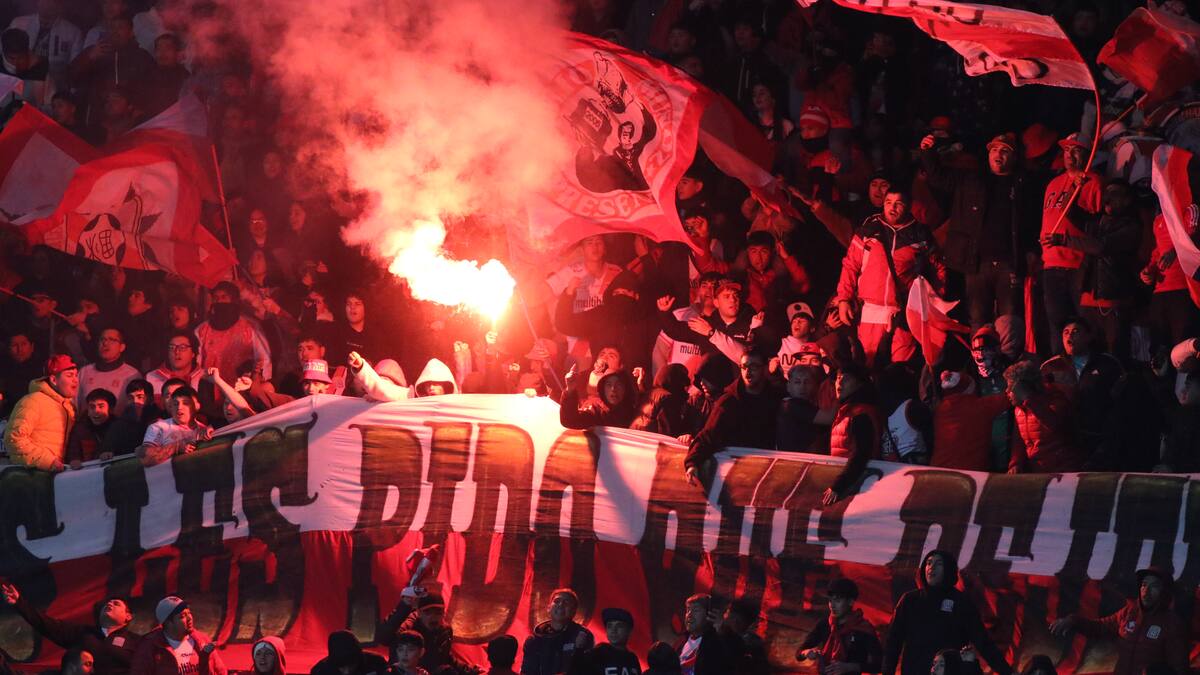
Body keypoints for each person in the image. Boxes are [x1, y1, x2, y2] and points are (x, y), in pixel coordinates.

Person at [921, 132, 1040, 331]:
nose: (998, 154)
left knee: (1009, 322)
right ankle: (982, 362)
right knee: (978, 321)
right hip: (976, 264)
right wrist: (927, 152)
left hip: (1009, 264)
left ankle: (1008, 362)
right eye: (994, 149)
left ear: (1014, 156)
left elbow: (1032, 222)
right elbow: (937, 177)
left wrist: (1031, 252)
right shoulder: (972, 180)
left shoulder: (1023, 186)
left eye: (1004, 150)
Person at [835, 186, 946, 365]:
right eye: (888, 203)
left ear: (908, 206)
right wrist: (843, 299)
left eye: (898, 204)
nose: (892, 208)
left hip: (904, 312)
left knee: (900, 369)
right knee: (868, 366)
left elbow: (938, 270)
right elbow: (850, 266)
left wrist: (935, 302)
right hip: (871, 310)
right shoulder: (868, 231)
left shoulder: (920, 235)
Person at [882, 551, 1012, 675]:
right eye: (928, 563)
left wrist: (1007, 672)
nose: (931, 567)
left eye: (938, 564)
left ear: (948, 569)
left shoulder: (961, 602)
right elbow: (894, 641)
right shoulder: (910, 600)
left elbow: (983, 642)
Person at [1049, 567, 1188, 675]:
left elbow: (1178, 668)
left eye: (1155, 586)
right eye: (1144, 584)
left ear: (1165, 591)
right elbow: (1100, 627)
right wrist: (1073, 621)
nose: (1146, 590)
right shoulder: (1129, 612)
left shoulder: (1172, 624)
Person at [1039, 133, 1103, 354]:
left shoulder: (1093, 181)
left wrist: (1078, 190)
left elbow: (1094, 223)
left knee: (1083, 326)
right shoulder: (1053, 183)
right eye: (1067, 150)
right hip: (1051, 264)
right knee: (1057, 325)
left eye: (1076, 150)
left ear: (1087, 154)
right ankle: (1060, 376)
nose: (1070, 155)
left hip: (1078, 265)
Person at [684, 349, 784, 484]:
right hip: (735, 473)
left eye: (753, 367)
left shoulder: (775, 398)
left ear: (764, 368)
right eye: (744, 367)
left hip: (765, 472)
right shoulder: (729, 401)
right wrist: (692, 463)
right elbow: (708, 435)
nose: (748, 372)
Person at [1, 584, 139, 675]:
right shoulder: (83, 633)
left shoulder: (137, 642)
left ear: (128, 616)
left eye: (116, 604)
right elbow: (46, 624)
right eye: (107, 604)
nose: (109, 603)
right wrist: (20, 603)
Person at [1005, 360, 1084, 473]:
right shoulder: (1020, 410)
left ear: (1023, 387)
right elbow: (1018, 441)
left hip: (1063, 473)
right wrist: (1015, 464)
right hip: (1039, 473)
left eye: (1011, 387)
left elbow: (1055, 425)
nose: (1007, 391)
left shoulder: (1054, 399)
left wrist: (1030, 399)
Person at [825, 363, 887, 505]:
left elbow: (861, 453)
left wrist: (839, 486)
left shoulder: (861, 414)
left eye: (846, 379)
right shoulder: (847, 411)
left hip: (855, 488)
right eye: (838, 378)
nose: (839, 382)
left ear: (860, 384)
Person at [4, 354, 78, 472]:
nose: (75, 380)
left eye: (76, 375)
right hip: (31, 474)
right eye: (69, 375)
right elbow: (14, 438)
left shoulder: (70, 407)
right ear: (53, 380)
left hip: (57, 474)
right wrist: (48, 461)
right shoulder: (33, 401)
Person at [796, 578, 882, 675]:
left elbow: (879, 665)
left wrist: (851, 667)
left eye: (837, 600)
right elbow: (800, 652)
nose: (832, 605)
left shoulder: (863, 629)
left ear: (850, 602)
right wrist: (806, 652)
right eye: (830, 600)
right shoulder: (825, 624)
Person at [195, 281, 272, 384]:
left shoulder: (250, 327)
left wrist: (256, 382)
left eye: (224, 297)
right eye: (216, 298)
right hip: (211, 388)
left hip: (241, 389)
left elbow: (263, 359)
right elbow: (196, 363)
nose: (219, 301)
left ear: (233, 300)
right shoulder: (202, 330)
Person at [376, 594, 472, 675]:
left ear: (443, 613)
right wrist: (404, 607)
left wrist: (468, 670)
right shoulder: (407, 628)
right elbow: (384, 638)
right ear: (419, 613)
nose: (433, 617)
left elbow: (445, 656)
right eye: (428, 613)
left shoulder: (445, 631)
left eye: (437, 613)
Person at [130, 596, 225, 675]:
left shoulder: (201, 639)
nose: (189, 618)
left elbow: (220, 671)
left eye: (189, 613)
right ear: (167, 623)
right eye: (182, 616)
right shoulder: (149, 646)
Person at [521, 588, 594, 675]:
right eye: (557, 601)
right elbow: (527, 671)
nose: (560, 604)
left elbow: (588, 670)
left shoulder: (583, 636)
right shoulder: (534, 639)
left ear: (574, 611)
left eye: (566, 602)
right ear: (548, 608)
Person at [137, 386, 212, 466]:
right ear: (171, 407)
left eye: (186, 403)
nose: (179, 407)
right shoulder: (158, 427)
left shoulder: (204, 429)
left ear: (197, 406)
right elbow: (145, 458)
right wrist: (176, 447)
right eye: (175, 404)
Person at [78, 327, 142, 416]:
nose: (105, 343)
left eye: (111, 340)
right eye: (102, 339)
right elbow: (75, 405)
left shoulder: (132, 375)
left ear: (122, 347)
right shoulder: (84, 372)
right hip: (87, 427)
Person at [567, 608, 640, 675]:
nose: (613, 630)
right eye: (609, 626)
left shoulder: (632, 659)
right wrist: (579, 650)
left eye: (619, 626)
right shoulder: (597, 654)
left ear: (629, 631)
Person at [560, 368, 638, 430]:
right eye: (608, 384)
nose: (613, 389)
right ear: (603, 389)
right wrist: (570, 390)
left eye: (618, 384)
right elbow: (570, 421)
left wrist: (641, 386)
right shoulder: (596, 410)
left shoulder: (634, 410)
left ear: (625, 388)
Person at [674, 594, 729, 675]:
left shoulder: (716, 643)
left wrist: (723, 631)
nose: (689, 614)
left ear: (709, 614)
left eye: (696, 610)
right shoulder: (680, 642)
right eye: (688, 609)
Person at [144, 332, 204, 406]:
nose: (176, 352)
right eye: (172, 347)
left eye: (182, 347)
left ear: (193, 353)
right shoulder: (151, 377)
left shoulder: (204, 377)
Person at [65, 388, 116, 468]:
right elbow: (73, 451)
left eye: (101, 406)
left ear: (110, 409)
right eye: (92, 407)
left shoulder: (118, 427)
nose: (96, 411)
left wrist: (111, 454)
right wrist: (74, 460)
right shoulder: (80, 429)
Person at [311, 630, 388, 675]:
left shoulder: (376, 663)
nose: (347, 672)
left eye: (351, 666)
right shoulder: (321, 671)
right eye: (342, 667)